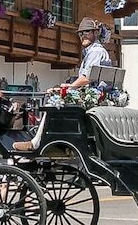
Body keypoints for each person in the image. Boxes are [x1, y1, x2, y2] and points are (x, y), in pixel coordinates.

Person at [11, 17, 110, 151]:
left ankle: (37, 143)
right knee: (56, 94)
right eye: (81, 33)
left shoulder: (96, 51)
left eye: (87, 32)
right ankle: (56, 143)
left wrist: (70, 87)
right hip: (94, 95)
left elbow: (88, 78)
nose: (83, 36)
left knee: (53, 103)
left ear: (95, 33)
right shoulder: (93, 51)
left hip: (93, 96)